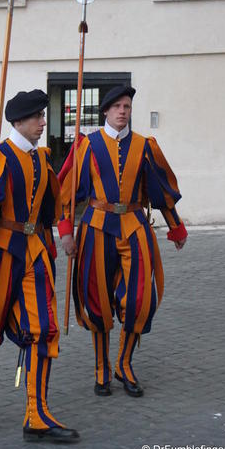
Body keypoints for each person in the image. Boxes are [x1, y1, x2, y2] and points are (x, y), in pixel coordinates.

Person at [0, 89, 79, 442]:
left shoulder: (42, 158)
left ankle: (36, 415)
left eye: (42, 116)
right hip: (0, 256)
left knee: (43, 330)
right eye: (37, 117)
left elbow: (52, 208)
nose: (43, 122)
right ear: (18, 121)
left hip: (35, 254)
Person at [58, 83, 187, 397]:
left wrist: (175, 227)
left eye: (127, 107)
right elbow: (66, 193)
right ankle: (102, 367)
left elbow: (161, 192)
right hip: (95, 229)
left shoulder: (145, 146)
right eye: (117, 107)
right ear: (105, 111)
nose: (122, 112)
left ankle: (124, 364)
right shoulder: (86, 146)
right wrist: (65, 233)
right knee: (97, 299)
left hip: (134, 227)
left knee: (140, 299)